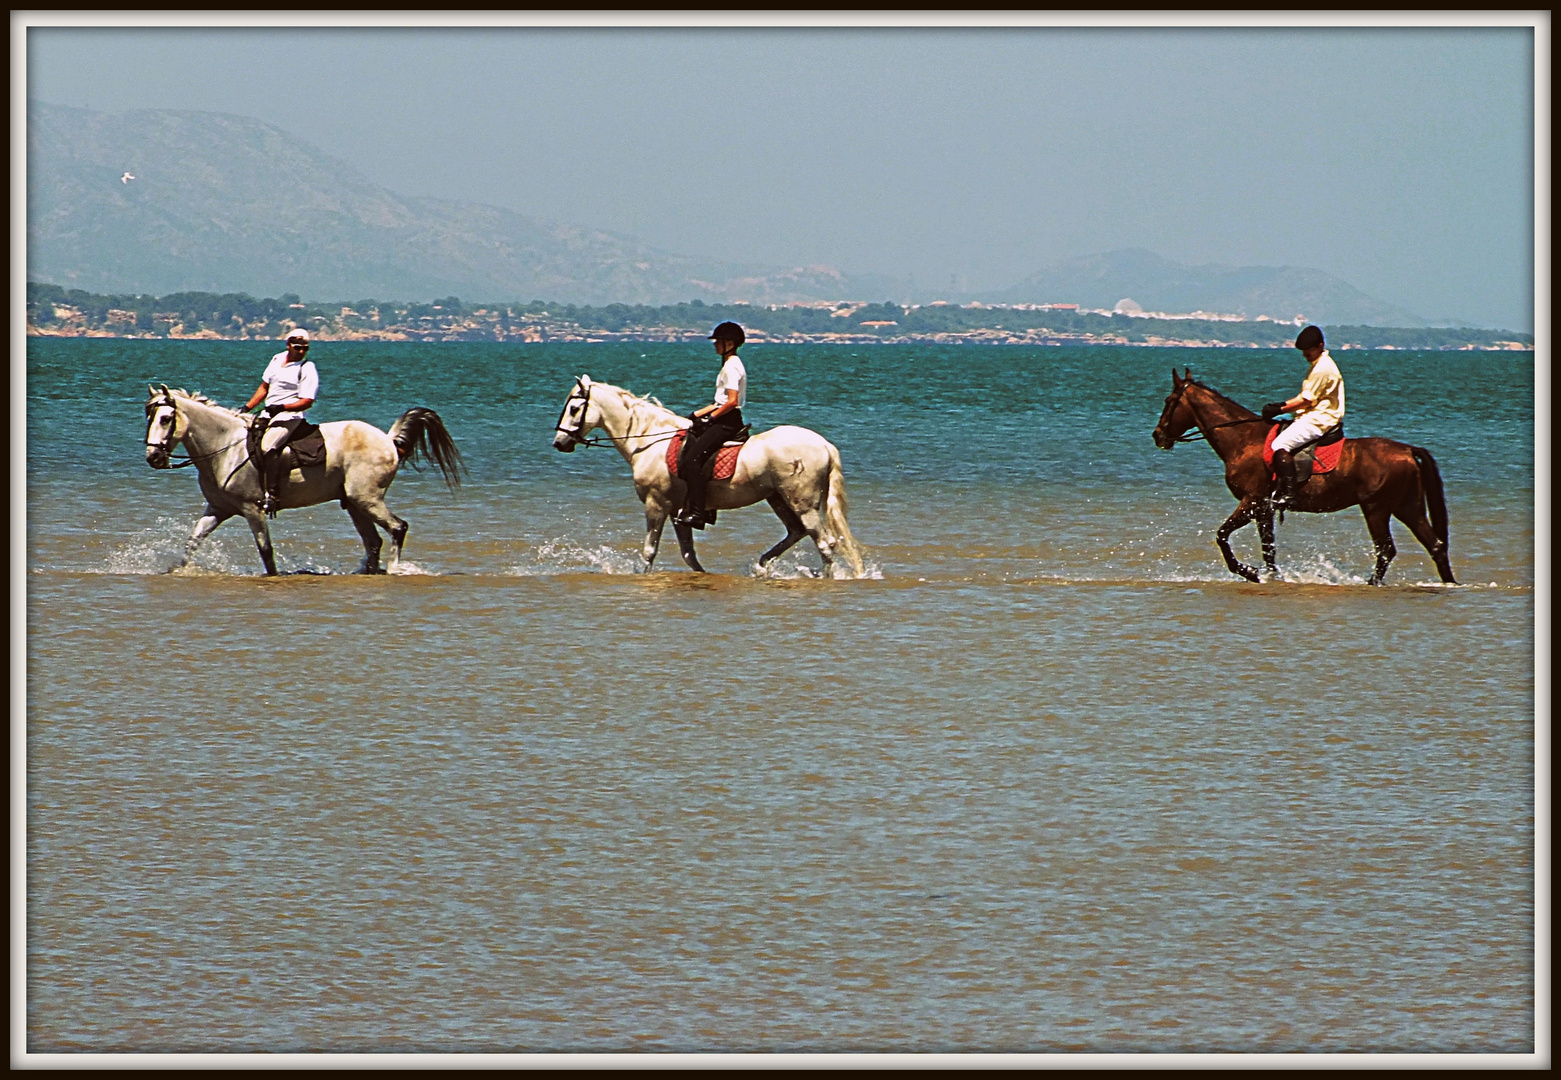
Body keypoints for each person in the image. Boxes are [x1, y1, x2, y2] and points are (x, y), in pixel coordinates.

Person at [1261, 324, 1344, 509]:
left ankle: (1290, 494)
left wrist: (1279, 409)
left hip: (1318, 420)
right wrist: (1281, 405)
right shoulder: (1317, 364)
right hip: (1313, 415)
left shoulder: (1323, 368)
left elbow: (1307, 400)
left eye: (1309, 350)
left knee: (1279, 445)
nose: (1305, 354)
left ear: (1320, 345)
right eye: (1303, 351)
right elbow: (1303, 397)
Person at [674, 321, 747, 528]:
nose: (714, 345)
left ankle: (700, 513)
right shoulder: (728, 364)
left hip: (727, 422)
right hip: (722, 415)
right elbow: (719, 401)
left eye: (718, 342)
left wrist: (712, 419)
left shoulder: (732, 367)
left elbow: (732, 401)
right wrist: (696, 414)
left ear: (730, 343)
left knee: (692, 461)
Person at [243, 327, 319, 515]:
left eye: (305, 348)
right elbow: (264, 387)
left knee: (269, 447)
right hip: (268, 413)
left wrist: (283, 407)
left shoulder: (307, 368)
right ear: (288, 345)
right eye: (297, 347)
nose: (301, 352)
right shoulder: (277, 359)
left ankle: (273, 495)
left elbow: (307, 401)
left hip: (289, 417)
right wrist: (247, 408)